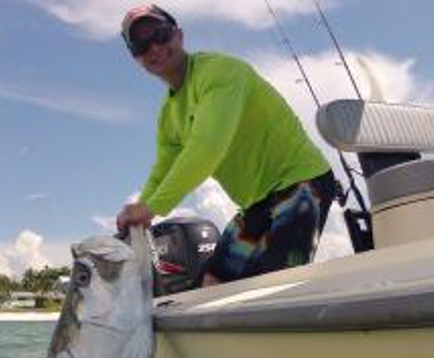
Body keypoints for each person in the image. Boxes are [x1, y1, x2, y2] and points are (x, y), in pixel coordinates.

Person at [117, 4, 336, 287]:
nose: (154, 48)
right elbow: (162, 170)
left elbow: (206, 147)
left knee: (278, 283)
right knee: (212, 281)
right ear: (135, 57)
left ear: (179, 35)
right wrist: (141, 212)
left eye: (160, 35)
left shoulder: (220, 71)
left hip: (303, 183)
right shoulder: (168, 115)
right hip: (255, 203)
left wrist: (151, 208)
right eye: (141, 45)